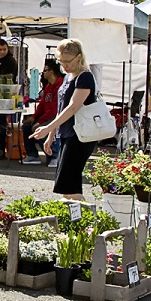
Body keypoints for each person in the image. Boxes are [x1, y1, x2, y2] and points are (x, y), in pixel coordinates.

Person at [29, 39, 98, 199]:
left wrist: (47, 128)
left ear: (79, 57)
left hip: (80, 135)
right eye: (61, 61)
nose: (64, 65)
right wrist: (51, 135)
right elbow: (60, 109)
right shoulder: (68, 78)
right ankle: (78, 218)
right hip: (68, 134)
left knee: (69, 185)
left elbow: (73, 107)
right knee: (67, 184)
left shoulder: (85, 77)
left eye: (68, 61)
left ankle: (84, 219)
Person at [23, 58, 63, 165]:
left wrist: (39, 122)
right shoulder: (48, 87)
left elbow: (55, 110)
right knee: (26, 126)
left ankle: (53, 156)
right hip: (46, 117)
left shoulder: (60, 85)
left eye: (45, 71)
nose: (43, 73)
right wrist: (33, 117)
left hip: (56, 117)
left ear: (51, 72)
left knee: (38, 128)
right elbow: (42, 105)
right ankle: (32, 155)